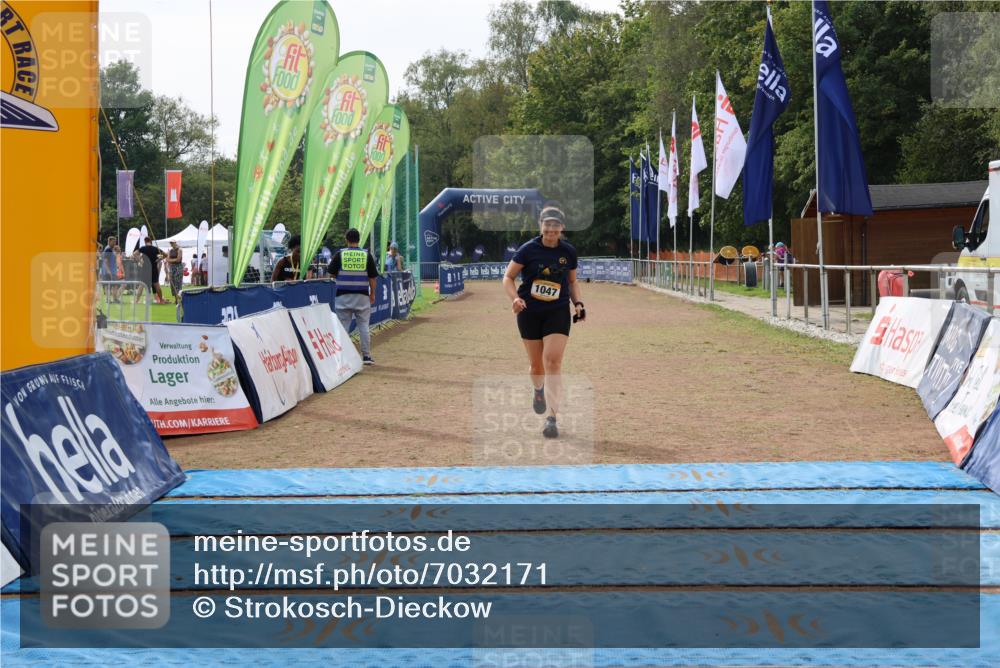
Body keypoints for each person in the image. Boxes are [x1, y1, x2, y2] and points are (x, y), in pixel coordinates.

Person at [502, 203, 584, 439]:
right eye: (547, 225)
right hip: (529, 312)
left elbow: (572, 282)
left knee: (553, 362)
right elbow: (508, 277)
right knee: (537, 366)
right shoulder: (528, 250)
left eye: (555, 225)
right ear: (541, 226)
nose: (551, 229)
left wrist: (578, 303)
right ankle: (538, 390)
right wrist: (515, 299)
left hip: (557, 311)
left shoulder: (568, 252)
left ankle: (552, 418)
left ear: (562, 227)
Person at [328, 228, 379, 365]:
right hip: (362, 296)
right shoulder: (366, 255)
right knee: (364, 326)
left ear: (346, 239)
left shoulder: (340, 254)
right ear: (359, 239)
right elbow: (372, 278)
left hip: (343, 296)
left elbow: (331, 273)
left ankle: (342, 358)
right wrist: (372, 293)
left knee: (343, 327)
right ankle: (366, 356)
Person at [137, 236, 166, 304]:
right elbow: (166, 255)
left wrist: (140, 261)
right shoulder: (155, 248)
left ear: (145, 241)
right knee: (156, 285)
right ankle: (161, 300)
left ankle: (137, 301)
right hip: (154, 269)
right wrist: (159, 259)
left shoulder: (143, 248)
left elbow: (135, 254)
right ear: (151, 241)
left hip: (145, 269)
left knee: (141, 285)